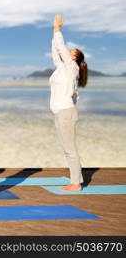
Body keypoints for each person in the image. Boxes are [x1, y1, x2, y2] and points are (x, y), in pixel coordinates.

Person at [50, 14, 88, 192]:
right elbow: (55, 51)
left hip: (66, 113)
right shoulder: (62, 69)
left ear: (75, 58)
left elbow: (60, 46)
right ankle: (76, 179)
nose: (68, 52)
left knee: (70, 149)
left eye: (72, 52)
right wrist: (53, 30)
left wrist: (58, 28)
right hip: (61, 113)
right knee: (67, 148)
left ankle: (76, 184)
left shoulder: (72, 68)